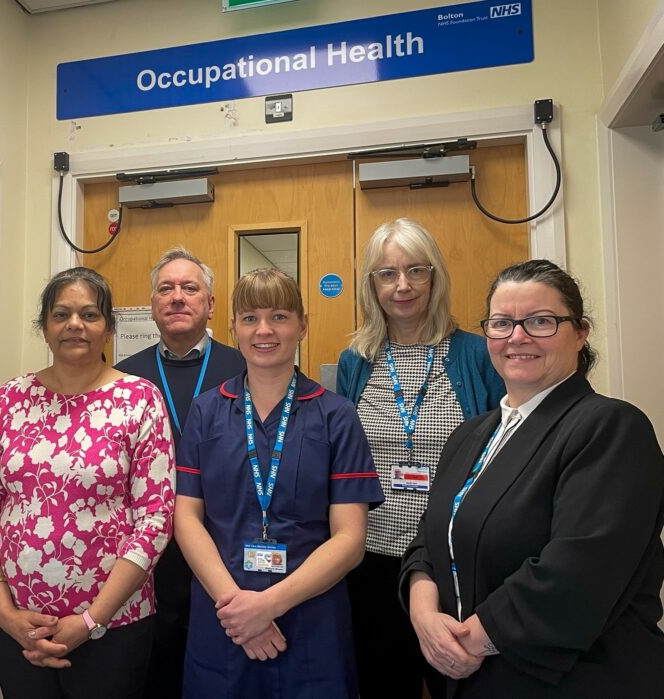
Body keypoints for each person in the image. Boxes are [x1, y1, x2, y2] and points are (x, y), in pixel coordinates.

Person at [401, 259, 664, 697]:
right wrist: (424, 617)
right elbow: (429, 539)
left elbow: (576, 574)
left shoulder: (612, 429)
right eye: (502, 323)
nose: (517, 336)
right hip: (473, 678)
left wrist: (467, 643)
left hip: (578, 681)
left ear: (579, 332)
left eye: (540, 321)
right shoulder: (468, 437)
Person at [0, 266, 175, 699]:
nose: (74, 325)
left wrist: (91, 620)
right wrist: (4, 612)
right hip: (19, 627)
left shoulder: (140, 399)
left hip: (114, 624)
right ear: (44, 327)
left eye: (89, 315)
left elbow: (154, 520)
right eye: (61, 314)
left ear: (109, 327)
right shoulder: (8, 399)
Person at [174, 268, 384, 698]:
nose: (264, 330)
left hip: (310, 621)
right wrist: (238, 609)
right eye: (249, 318)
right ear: (233, 328)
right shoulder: (206, 411)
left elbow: (350, 539)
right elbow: (186, 518)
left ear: (303, 325)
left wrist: (267, 606)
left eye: (279, 316)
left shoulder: (336, 416)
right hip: (223, 618)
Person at [336, 219, 504, 698]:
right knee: (381, 684)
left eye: (415, 270)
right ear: (372, 285)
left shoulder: (477, 355)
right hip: (372, 560)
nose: (402, 285)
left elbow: (504, 453)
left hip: (453, 562)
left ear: (435, 278)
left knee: (462, 685)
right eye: (387, 274)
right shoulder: (356, 360)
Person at [115, 246, 245, 697]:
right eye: (165, 289)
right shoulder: (123, 379)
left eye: (189, 288)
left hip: (227, 540)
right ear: (152, 306)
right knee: (158, 666)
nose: (176, 297)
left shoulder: (246, 367)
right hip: (149, 551)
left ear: (210, 305)